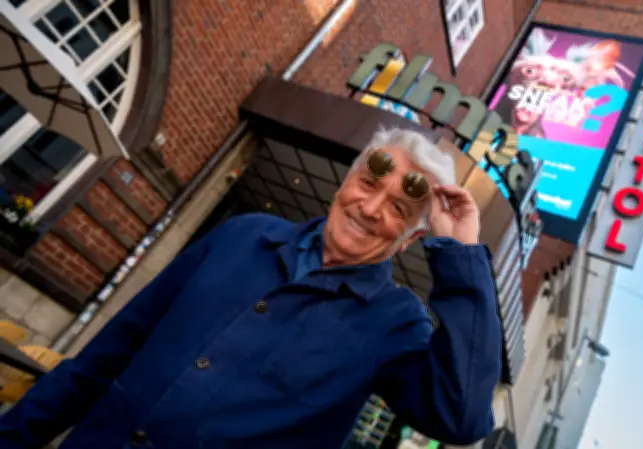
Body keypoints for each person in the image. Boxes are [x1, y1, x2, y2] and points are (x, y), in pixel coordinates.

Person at [0, 127, 502, 449]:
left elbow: (460, 418)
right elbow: (107, 356)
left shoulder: (394, 323)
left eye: (398, 208)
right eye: (369, 184)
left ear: (410, 238)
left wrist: (461, 255)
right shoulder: (243, 236)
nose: (370, 209)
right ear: (345, 182)